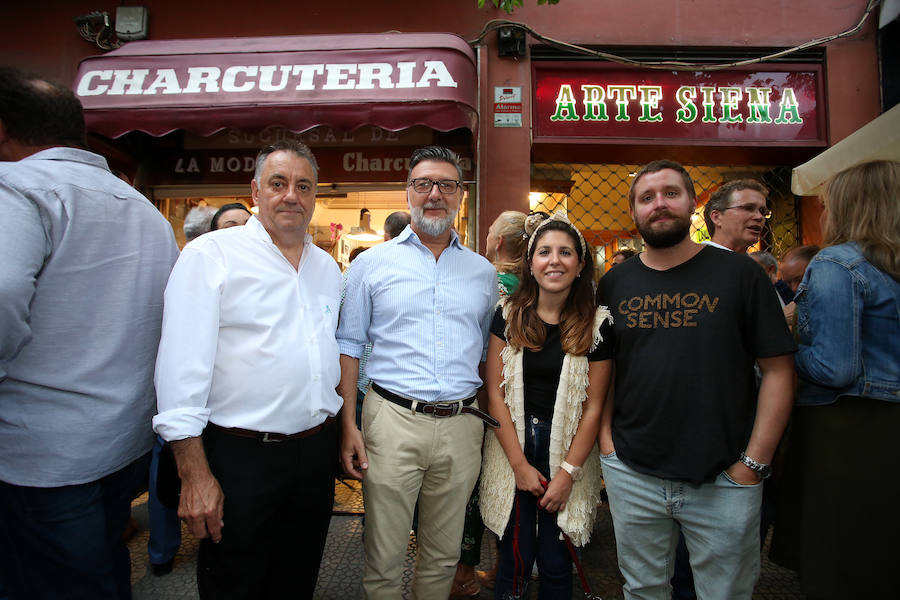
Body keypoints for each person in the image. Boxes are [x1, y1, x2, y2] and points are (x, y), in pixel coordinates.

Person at [0, 66, 179, 599]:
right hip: (122, 441)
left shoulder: (18, 186)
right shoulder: (147, 212)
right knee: (100, 567)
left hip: (42, 452)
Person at [596, 160, 796, 600]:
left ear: (694, 204)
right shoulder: (614, 283)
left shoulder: (741, 275)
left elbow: (780, 371)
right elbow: (605, 371)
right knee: (643, 590)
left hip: (725, 476)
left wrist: (753, 465)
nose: (659, 204)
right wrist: (608, 446)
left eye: (671, 193)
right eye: (646, 197)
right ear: (634, 212)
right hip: (634, 470)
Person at [153, 140, 342, 599]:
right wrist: (195, 476)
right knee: (235, 583)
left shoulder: (326, 268)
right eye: (278, 184)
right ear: (255, 192)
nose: (291, 196)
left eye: (303, 186)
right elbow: (180, 371)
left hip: (313, 456)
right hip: (240, 458)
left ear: (315, 196)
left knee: (297, 580)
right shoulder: (211, 255)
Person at [337, 146, 499, 599]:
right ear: (407, 192)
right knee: (383, 555)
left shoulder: (482, 273)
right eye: (423, 183)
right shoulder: (371, 264)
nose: (434, 194)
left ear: (460, 197)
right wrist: (348, 423)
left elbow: (486, 354)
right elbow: (348, 346)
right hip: (391, 422)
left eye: (447, 185)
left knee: (443, 557)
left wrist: (484, 429)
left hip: (463, 425)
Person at [770, 160, 900, 599]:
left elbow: (833, 367)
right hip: (887, 423)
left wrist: (774, 354)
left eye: (826, 204)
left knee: (839, 559)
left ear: (847, 206)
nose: (822, 213)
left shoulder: (836, 264)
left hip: (845, 429)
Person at [480, 211, 613, 598]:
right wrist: (520, 466)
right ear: (531, 263)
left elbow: (594, 407)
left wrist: (568, 473)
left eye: (565, 252)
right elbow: (496, 396)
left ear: (580, 264)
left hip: (569, 450)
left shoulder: (599, 325)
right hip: (514, 445)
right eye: (544, 252)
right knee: (515, 556)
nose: (554, 260)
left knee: (558, 560)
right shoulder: (506, 317)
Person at [450, 209, 528, 598]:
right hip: (522, 404)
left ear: (497, 242)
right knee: (511, 489)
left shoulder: (485, 281)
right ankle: (505, 569)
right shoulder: (533, 284)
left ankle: (463, 572)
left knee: (475, 491)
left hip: (481, 402)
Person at [703, 179, 770, 253]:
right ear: (717, 218)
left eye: (762, 212)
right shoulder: (696, 261)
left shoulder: (752, 264)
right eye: (748, 208)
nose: (759, 217)